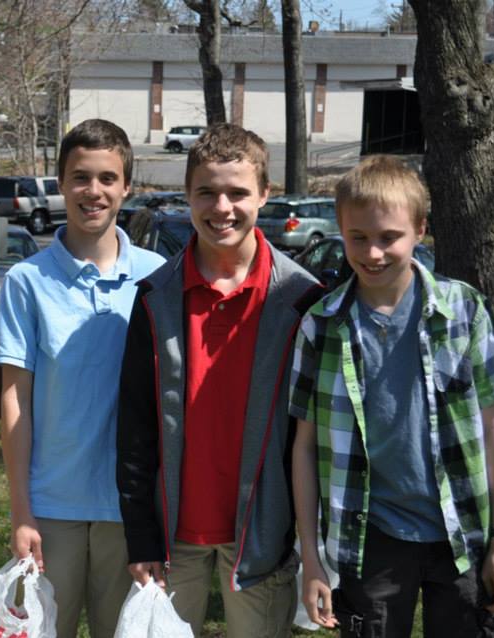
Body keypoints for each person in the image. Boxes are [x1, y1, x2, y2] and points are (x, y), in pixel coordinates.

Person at [290, 155, 494, 637]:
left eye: (388, 237)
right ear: (340, 229)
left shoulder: (465, 311)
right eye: (358, 238)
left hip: (460, 534)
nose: (373, 253)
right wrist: (311, 560)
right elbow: (305, 447)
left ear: (420, 228)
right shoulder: (321, 325)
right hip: (369, 540)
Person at [116, 123, 322, 638]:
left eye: (238, 192)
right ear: (187, 195)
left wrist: (307, 539)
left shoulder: (302, 300)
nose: (221, 207)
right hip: (173, 533)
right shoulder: (155, 297)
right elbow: (136, 424)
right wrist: (142, 537)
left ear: (265, 195)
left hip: (263, 532)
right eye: (206, 192)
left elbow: (313, 435)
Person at [0, 118, 165, 637]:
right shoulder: (27, 281)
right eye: (81, 177)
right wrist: (21, 510)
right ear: (61, 182)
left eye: (108, 178)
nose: (94, 191)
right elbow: (14, 401)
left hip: (129, 509)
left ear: (126, 186)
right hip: (51, 506)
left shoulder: (157, 276)